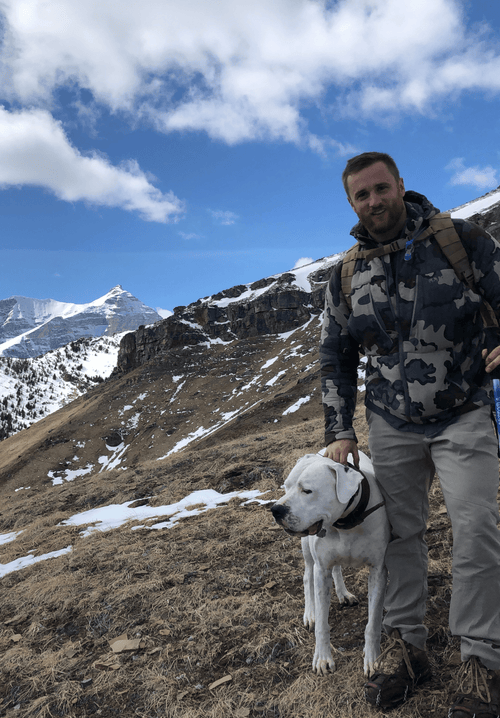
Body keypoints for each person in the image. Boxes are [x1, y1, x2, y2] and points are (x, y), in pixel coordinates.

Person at [320, 151, 500, 715]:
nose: (374, 201)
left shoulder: (461, 241)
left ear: (400, 185)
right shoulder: (346, 273)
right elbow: (335, 353)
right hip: (391, 422)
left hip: (464, 410)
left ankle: (481, 659)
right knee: (399, 537)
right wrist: (338, 428)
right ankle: (410, 650)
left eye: (381, 188)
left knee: (476, 529)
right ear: (352, 204)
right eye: (361, 195)